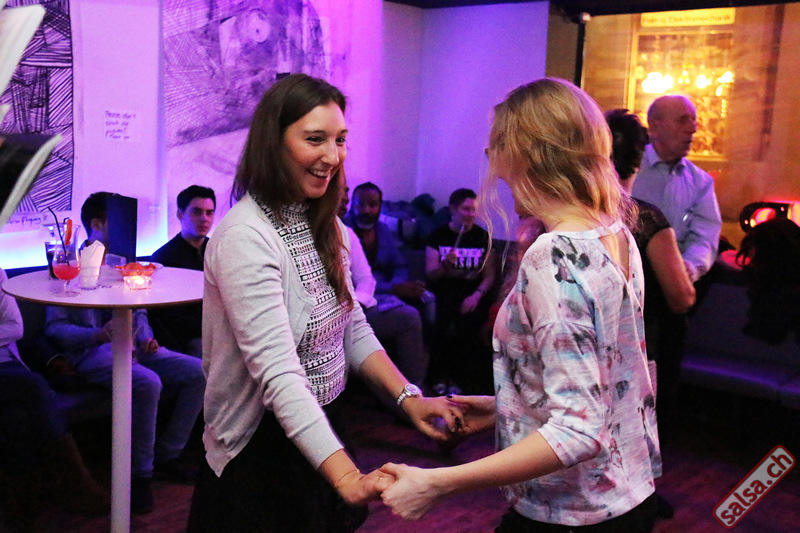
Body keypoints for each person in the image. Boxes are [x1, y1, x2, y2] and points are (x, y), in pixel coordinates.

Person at [186, 73, 464, 533]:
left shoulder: (329, 226)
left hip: (321, 423)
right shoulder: (244, 236)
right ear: (273, 143)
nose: (333, 156)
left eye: (340, 140)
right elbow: (278, 373)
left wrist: (409, 399)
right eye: (315, 139)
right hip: (262, 443)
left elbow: (352, 327)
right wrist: (347, 476)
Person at [381, 78, 660, 532]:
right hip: (623, 497)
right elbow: (602, 386)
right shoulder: (615, 234)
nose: (494, 167)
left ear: (526, 153)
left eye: (495, 148)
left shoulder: (555, 256)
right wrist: (505, 407)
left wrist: (436, 483)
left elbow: (577, 431)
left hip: (573, 515)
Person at [45, 192, 206, 515]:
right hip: (91, 352)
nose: (126, 230)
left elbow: (139, 309)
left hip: (131, 345)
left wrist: (146, 337)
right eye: (118, 222)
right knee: (148, 382)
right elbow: (55, 328)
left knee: (200, 372)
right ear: (97, 224)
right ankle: (140, 476)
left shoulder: (123, 262)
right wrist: (96, 335)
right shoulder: (67, 265)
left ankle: (168, 453)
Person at [0, 268, 109, 528]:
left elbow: (15, 328)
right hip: (18, 379)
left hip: (7, 366)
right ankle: (77, 484)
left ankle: (19, 518)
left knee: (17, 419)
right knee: (34, 385)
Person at [606, 109, 695, 404]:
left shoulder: (574, 214)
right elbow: (681, 298)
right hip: (641, 351)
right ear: (639, 159)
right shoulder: (646, 220)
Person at [339, 177, 428, 390]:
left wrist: (398, 287)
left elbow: (399, 265)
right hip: (356, 299)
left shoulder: (383, 231)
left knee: (423, 301)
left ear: (380, 206)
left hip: (381, 293)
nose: (366, 210)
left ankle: (413, 382)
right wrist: (393, 289)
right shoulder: (343, 229)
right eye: (361, 204)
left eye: (373, 205)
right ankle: (407, 390)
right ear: (352, 204)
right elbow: (353, 280)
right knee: (409, 315)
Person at [631, 95, 722, 284]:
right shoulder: (627, 168)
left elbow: (705, 237)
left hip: (671, 283)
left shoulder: (701, 183)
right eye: (682, 120)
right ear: (654, 126)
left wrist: (691, 266)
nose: (693, 128)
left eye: (694, 120)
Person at [425, 188, 496, 394]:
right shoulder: (438, 235)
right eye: (466, 209)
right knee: (443, 323)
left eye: (474, 210)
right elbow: (431, 274)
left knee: (469, 324)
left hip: (473, 293)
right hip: (444, 291)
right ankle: (438, 377)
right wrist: (445, 265)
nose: (471, 214)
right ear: (452, 209)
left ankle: (461, 380)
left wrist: (477, 295)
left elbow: (490, 276)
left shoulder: (482, 237)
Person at [149, 185, 216, 357]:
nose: (204, 219)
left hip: (219, 329)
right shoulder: (163, 258)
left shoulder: (219, 250)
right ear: (180, 214)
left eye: (209, 213)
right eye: (196, 212)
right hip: (187, 337)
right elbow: (166, 315)